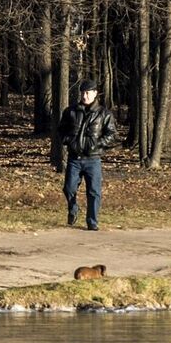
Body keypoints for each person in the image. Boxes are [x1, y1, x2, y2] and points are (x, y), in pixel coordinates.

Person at [57, 79, 117, 231]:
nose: (85, 96)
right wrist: (69, 141)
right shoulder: (70, 111)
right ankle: (73, 208)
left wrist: (97, 144)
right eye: (83, 93)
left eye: (88, 93)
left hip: (93, 159)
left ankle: (92, 222)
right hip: (74, 158)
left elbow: (111, 134)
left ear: (95, 94)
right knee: (69, 188)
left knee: (94, 192)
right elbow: (60, 130)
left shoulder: (104, 114)